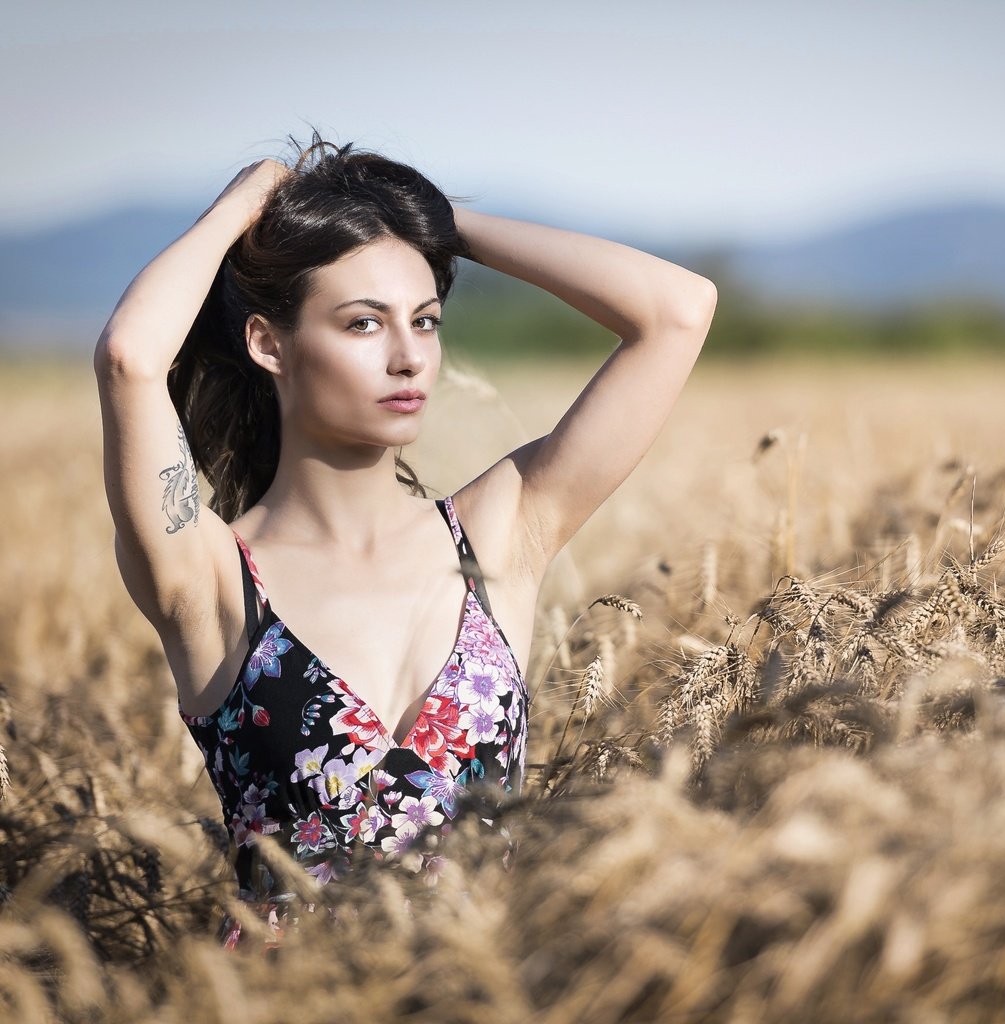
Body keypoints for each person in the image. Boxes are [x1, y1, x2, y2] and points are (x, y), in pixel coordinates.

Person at [93, 132, 717, 951]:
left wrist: (424, 217)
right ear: (268, 343)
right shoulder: (206, 579)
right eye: (363, 324)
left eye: (425, 321)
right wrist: (247, 203)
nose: (409, 357)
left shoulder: (501, 532)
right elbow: (130, 357)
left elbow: (676, 311)